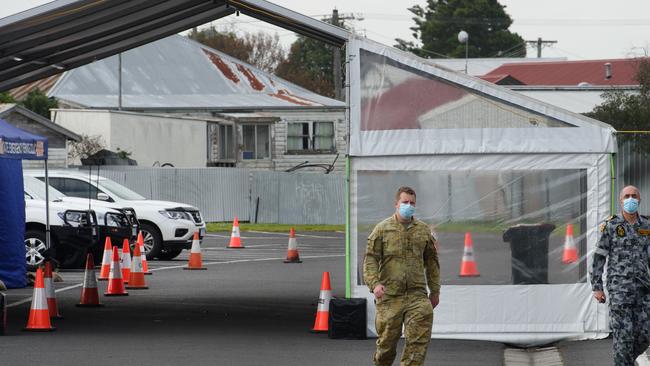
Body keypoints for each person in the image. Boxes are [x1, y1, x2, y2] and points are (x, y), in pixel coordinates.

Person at [363, 186, 440, 366]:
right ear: (396, 204)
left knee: (417, 345)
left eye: (412, 203)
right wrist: (374, 284)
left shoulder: (423, 231)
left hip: (416, 295)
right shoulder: (382, 229)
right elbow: (370, 259)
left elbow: (432, 262)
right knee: (386, 347)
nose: (408, 206)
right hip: (390, 296)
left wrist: (435, 290)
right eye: (405, 202)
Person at [592, 185, 650, 366]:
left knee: (645, 333)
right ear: (620, 200)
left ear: (639, 200)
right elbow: (599, 256)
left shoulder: (647, 226)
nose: (630, 199)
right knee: (623, 336)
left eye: (634, 196)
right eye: (627, 196)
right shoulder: (611, 225)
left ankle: (624, 361)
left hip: (643, 288)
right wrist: (597, 287)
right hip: (619, 289)